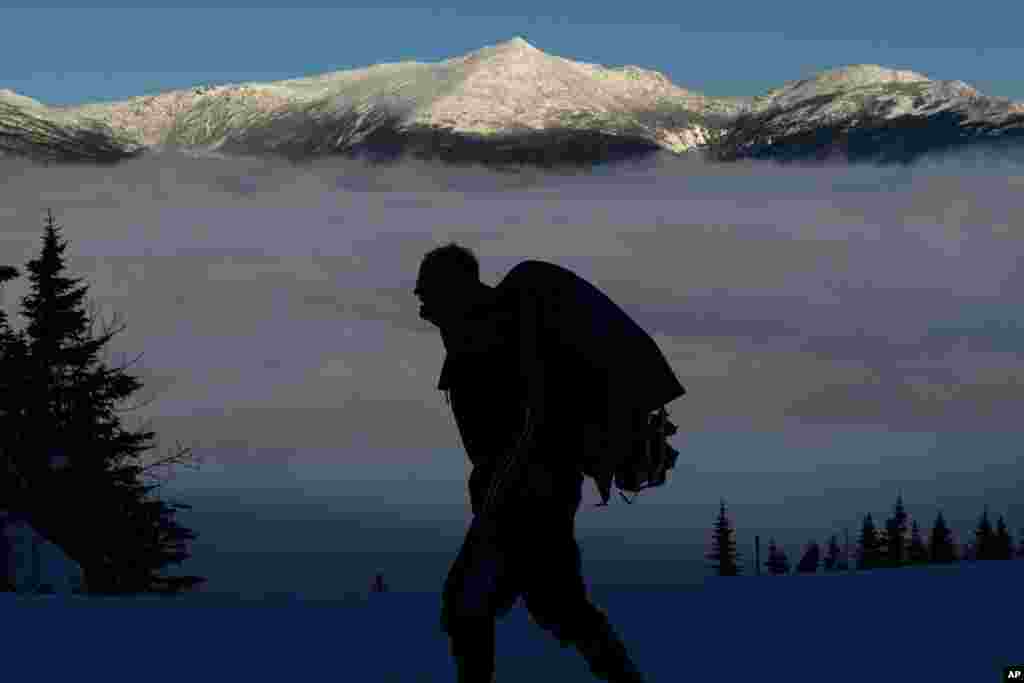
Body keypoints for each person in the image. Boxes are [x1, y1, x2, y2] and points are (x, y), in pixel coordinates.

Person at [416, 243, 648, 683]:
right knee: (558, 606)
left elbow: (532, 417)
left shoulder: (494, 333)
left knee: (467, 603)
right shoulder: (476, 331)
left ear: (453, 289)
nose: (421, 303)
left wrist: (503, 486)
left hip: (526, 492)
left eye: (427, 292)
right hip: (529, 489)